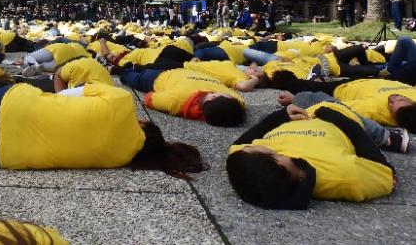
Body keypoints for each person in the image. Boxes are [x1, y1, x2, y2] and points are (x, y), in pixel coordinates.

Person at [0, 81, 206, 178]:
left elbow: (69, 95)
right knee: (15, 118)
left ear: (144, 124)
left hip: (5, 105)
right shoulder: (120, 160)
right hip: (0, 153)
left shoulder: (121, 101)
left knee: (17, 104)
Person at [226, 102, 395, 209]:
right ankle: (387, 137)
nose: (249, 145)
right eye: (251, 148)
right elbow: (384, 171)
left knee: (296, 97)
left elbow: (241, 142)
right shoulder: (345, 176)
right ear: (278, 160)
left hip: (301, 112)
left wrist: (281, 115)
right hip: (338, 113)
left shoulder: (243, 159)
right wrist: (334, 116)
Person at [272, 77, 416, 133]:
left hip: (343, 87)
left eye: (391, 106)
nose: (392, 99)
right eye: (400, 99)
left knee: (296, 84)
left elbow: (333, 106)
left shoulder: (373, 110)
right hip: (378, 78)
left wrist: (297, 99)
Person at [119, 67, 246, 127]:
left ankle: (122, 70)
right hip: (179, 71)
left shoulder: (175, 101)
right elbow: (238, 104)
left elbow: (150, 98)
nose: (231, 93)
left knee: (132, 77)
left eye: (227, 95)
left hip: (158, 77)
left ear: (212, 98)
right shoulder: (233, 101)